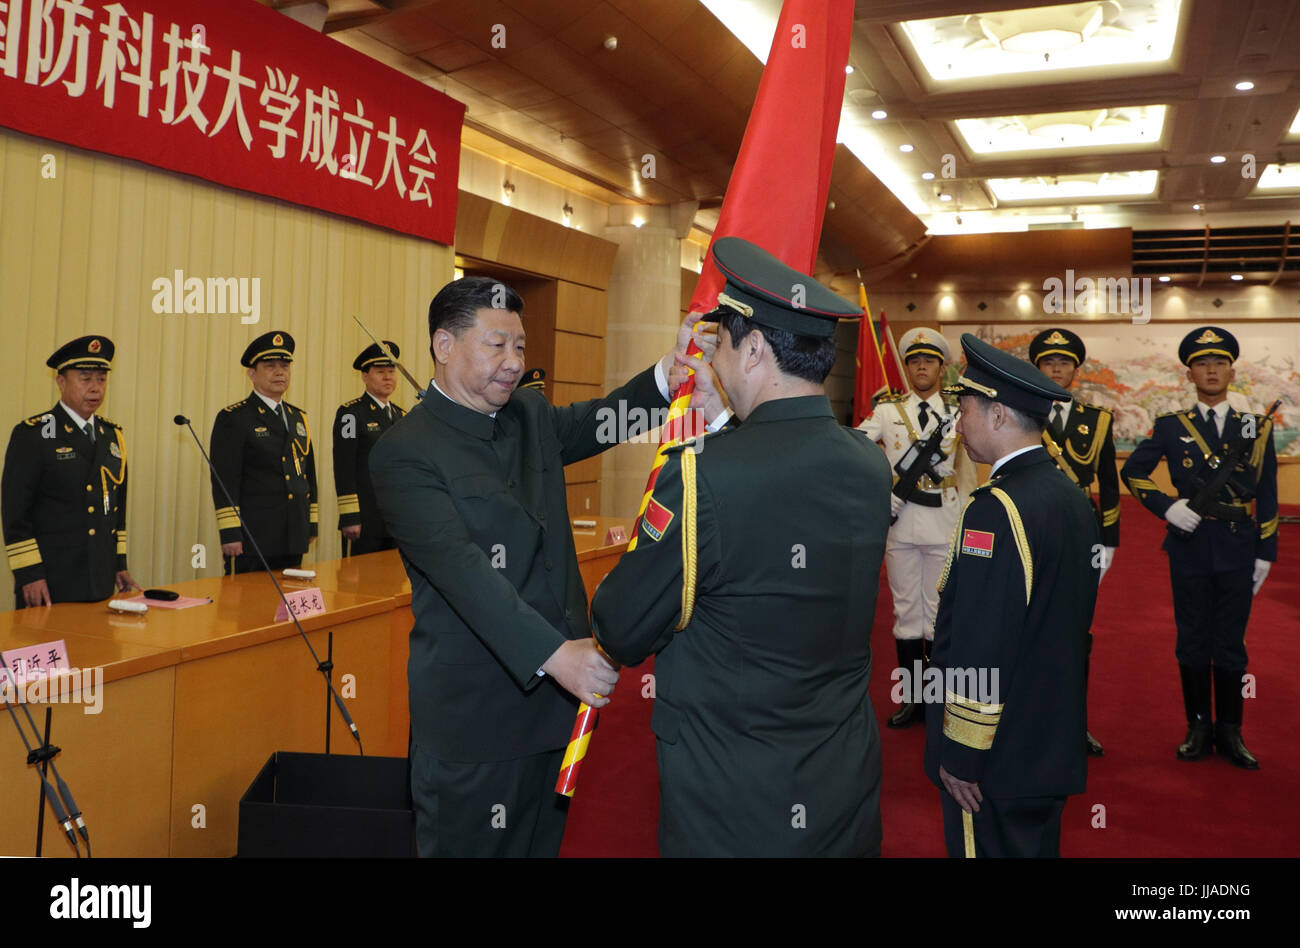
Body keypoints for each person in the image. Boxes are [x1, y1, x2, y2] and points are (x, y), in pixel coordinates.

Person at [368, 275, 714, 857]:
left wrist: (668, 373)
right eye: (496, 344)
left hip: (557, 711)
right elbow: (463, 573)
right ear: (444, 346)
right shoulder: (404, 451)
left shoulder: (528, 413)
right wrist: (559, 657)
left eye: (520, 346)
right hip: (476, 722)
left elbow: (603, 419)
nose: (513, 361)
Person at [590, 237, 892, 856]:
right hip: (839, 780)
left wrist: (698, 450)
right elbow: (779, 482)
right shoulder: (868, 461)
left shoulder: (701, 476)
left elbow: (620, 625)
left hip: (732, 798)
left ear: (754, 349)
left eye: (723, 342)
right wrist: (724, 424)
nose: (715, 359)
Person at [925, 334, 1099, 858]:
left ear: (997, 415)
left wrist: (962, 751)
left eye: (965, 409)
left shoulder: (995, 509)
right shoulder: (1067, 494)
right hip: (1047, 738)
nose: (958, 424)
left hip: (998, 756)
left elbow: (983, 638)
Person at [1120, 326, 1277, 770]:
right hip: (1189, 545)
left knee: (1230, 642)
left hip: (1238, 545)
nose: (1211, 370)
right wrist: (1168, 508)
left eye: (1219, 362)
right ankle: (1197, 726)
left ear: (1231, 370)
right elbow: (1134, 473)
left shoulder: (1255, 427)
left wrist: (1266, 549)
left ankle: (1231, 731)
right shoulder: (1171, 427)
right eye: (1202, 363)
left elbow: (1265, 490)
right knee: (1191, 639)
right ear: (1189, 373)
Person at [858, 328, 974, 729]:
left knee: (940, 613)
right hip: (901, 522)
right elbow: (855, 449)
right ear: (907, 367)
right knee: (906, 614)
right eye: (913, 361)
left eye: (928, 360)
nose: (921, 366)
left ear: (942, 368)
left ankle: (940, 699)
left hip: (944, 520)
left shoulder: (961, 411)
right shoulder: (887, 411)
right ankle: (913, 700)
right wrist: (877, 491)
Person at [1030, 327, 1119, 757]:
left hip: (1081, 533)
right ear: (1038, 369)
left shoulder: (1098, 420)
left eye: (1064, 363)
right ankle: (1031, 722)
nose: (1057, 368)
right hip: (1030, 528)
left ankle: (1072, 725)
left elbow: (1108, 481)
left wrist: (1111, 541)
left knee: (1075, 632)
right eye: (1049, 362)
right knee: (1028, 627)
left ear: (1075, 372)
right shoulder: (1020, 414)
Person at [2, 336, 137, 608]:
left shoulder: (112, 436)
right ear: (61, 382)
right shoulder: (35, 433)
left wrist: (118, 565)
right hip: (50, 581)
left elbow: (116, 513)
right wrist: (29, 575)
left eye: (101, 379)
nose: (95, 388)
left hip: (99, 580)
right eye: (85, 378)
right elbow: (15, 512)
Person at [210, 331, 317, 575]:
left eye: (285, 366)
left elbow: (307, 474)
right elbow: (224, 480)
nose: (280, 372)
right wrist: (229, 532)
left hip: (293, 531)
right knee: (248, 607)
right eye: (270, 366)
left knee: (288, 604)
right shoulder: (235, 418)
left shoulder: (297, 417)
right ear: (251, 373)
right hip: (253, 535)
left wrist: (310, 522)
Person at [333, 342, 406, 557]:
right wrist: (349, 516)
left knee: (391, 584)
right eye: (380, 371)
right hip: (364, 519)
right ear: (365, 376)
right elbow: (343, 465)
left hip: (394, 519)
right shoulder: (351, 414)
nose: (387, 377)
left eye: (391, 371)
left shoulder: (401, 415)